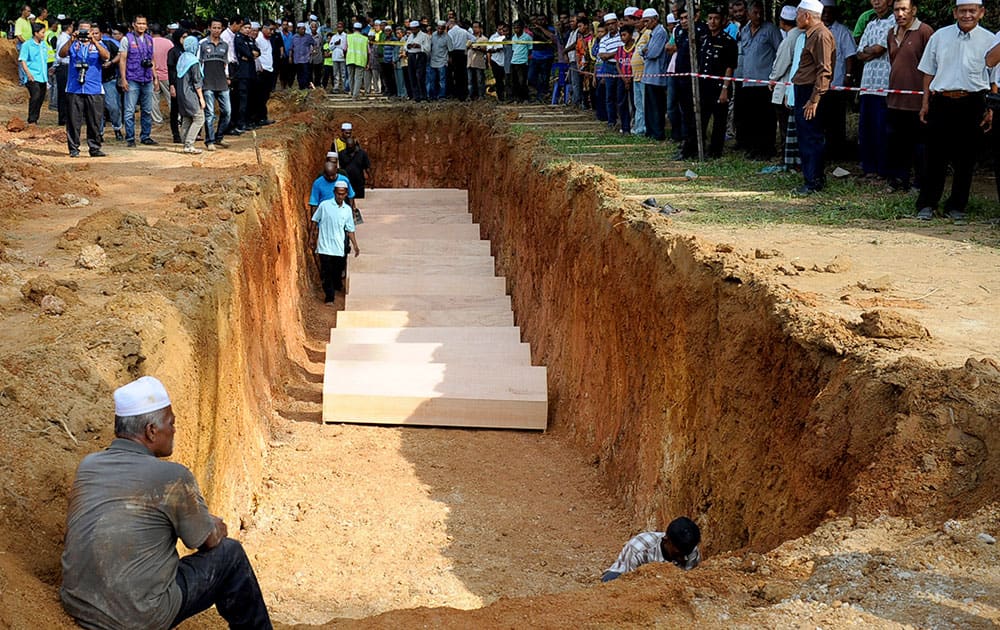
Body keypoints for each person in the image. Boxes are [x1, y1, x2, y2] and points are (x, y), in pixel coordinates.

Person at [60, 376, 272, 629]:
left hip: (80, 605)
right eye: (171, 423)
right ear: (151, 430)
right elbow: (206, 540)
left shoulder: (88, 466)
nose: (174, 430)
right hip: (137, 616)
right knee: (230, 554)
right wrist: (213, 525)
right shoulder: (172, 477)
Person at [915, 0, 992, 222]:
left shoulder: (989, 40)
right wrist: (925, 102)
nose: (967, 15)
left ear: (981, 13)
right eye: (962, 10)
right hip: (942, 102)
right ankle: (927, 204)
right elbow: (928, 71)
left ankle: (957, 206)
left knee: (965, 158)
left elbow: (995, 76)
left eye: (972, 10)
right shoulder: (940, 36)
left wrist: (991, 108)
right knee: (934, 156)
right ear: (955, 12)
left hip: (973, 103)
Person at [885, 0, 932, 193]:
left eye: (904, 9)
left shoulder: (924, 31)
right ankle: (898, 180)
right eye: (896, 9)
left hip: (918, 100)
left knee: (919, 145)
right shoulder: (891, 33)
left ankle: (920, 182)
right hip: (895, 98)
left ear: (913, 10)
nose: (900, 13)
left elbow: (932, 66)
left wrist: (926, 100)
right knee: (897, 143)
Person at [790, 0, 835, 194]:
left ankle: (813, 181)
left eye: (798, 13)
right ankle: (811, 177)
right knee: (805, 136)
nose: (796, 18)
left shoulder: (821, 35)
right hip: (804, 90)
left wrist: (814, 99)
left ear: (807, 16)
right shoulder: (811, 35)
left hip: (811, 91)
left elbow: (825, 70)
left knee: (811, 137)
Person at [735, 1, 782, 159]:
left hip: (764, 82)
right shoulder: (744, 30)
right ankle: (753, 147)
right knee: (750, 117)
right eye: (755, 12)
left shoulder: (770, 30)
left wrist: (774, 76)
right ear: (748, 14)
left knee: (766, 117)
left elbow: (780, 52)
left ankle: (766, 149)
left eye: (760, 12)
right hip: (747, 81)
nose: (758, 16)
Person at [856, 0, 896, 181]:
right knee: (866, 128)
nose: (876, 2)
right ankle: (869, 169)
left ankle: (884, 169)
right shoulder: (871, 22)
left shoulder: (894, 21)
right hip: (867, 84)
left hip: (884, 84)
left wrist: (870, 52)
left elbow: (880, 49)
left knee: (882, 129)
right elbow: (859, 52)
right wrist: (870, 51)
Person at [61, 19, 109, 158]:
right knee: (73, 121)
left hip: (93, 88)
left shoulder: (98, 44)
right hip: (74, 88)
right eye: (81, 30)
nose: (84, 33)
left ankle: (94, 148)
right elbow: (62, 54)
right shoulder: (73, 44)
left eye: (86, 31)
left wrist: (94, 41)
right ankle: (74, 149)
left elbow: (106, 56)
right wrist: (72, 39)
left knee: (94, 120)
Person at [601, 517, 702, 582]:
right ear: (666, 540)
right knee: (610, 581)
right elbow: (631, 583)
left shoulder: (690, 551)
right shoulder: (639, 549)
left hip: (666, 584)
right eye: (679, 553)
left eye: (686, 553)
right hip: (625, 575)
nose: (683, 558)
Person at [697, 6, 738, 158]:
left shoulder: (728, 42)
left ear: (723, 21)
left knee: (719, 121)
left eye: (716, 19)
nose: (712, 22)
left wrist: (725, 89)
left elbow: (730, 67)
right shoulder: (704, 39)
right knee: (702, 119)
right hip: (704, 86)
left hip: (720, 87)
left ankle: (715, 151)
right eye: (710, 18)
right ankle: (699, 147)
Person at [311, 180, 360, 304]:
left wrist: (355, 245)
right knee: (326, 272)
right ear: (334, 192)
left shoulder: (347, 210)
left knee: (336, 271)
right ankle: (329, 297)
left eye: (343, 194)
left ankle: (337, 285)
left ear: (346, 194)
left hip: (338, 247)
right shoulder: (324, 206)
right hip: (324, 246)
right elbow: (315, 220)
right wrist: (311, 237)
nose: (340, 196)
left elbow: (350, 229)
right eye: (338, 193)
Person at [820, 0, 857, 161]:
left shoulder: (842, 32)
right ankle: (823, 152)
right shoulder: (815, 30)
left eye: (830, 11)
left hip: (836, 84)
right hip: (818, 84)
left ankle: (837, 153)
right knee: (821, 120)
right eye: (824, 12)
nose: (826, 15)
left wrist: (848, 76)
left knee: (836, 121)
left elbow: (850, 56)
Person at [118, 14, 159, 147]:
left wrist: (155, 77)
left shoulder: (149, 39)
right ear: (134, 24)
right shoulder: (127, 39)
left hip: (147, 78)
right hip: (132, 78)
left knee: (147, 110)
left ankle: (145, 136)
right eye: (139, 23)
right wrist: (123, 79)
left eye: (144, 24)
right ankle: (130, 138)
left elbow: (152, 58)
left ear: (147, 25)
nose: (141, 26)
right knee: (129, 110)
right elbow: (122, 60)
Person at [199, 19, 231, 150]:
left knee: (227, 112)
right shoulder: (202, 44)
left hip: (222, 83)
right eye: (214, 27)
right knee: (210, 114)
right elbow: (198, 63)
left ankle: (219, 137)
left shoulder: (225, 45)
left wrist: (228, 77)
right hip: (207, 83)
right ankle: (210, 141)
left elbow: (226, 63)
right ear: (209, 28)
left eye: (219, 28)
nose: (217, 30)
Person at [640, 9, 669, 141]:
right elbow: (642, 50)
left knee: (657, 106)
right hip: (649, 75)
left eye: (647, 21)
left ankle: (658, 132)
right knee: (649, 106)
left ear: (655, 19)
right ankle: (650, 131)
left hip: (657, 75)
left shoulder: (660, 33)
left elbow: (653, 53)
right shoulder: (652, 33)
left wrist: (645, 52)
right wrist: (645, 51)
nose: (645, 24)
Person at [176, 35, 206, 155]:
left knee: (187, 118)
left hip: (181, 94)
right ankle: (189, 144)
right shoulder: (194, 62)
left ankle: (185, 142)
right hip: (190, 94)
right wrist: (201, 98)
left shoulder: (182, 58)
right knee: (199, 118)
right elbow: (197, 82)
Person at [18, 22, 48, 125]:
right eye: (42, 32)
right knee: (35, 95)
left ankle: (36, 118)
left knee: (41, 98)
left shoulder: (43, 44)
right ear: (36, 33)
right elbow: (23, 60)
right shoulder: (27, 45)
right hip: (33, 76)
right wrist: (28, 73)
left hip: (43, 76)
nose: (44, 34)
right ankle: (31, 119)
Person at [150, 23, 172, 128]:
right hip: (167, 74)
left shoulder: (149, 43)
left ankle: (157, 119)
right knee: (171, 97)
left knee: (154, 98)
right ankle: (177, 117)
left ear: (151, 32)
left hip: (152, 75)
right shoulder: (168, 43)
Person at [447, 19, 473, 100]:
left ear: (452, 24)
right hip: (463, 53)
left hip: (453, 53)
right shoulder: (464, 31)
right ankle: (464, 93)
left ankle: (457, 93)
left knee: (455, 74)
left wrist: (449, 55)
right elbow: (473, 39)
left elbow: (449, 43)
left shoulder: (450, 32)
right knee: (463, 74)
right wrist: (467, 45)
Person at [340, 136, 372, 202]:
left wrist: (371, 179)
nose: (350, 148)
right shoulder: (342, 154)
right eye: (348, 147)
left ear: (354, 145)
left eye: (351, 147)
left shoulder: (362, 154)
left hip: (359, 182)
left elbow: (367, 167)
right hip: (346, 181)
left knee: (360, 201)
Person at [510, 20, 532, 102]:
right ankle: (517, 98)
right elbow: (513, 49)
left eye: (518, 28)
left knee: (522, 81)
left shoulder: (527, 37)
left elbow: (530, 49)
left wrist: (526, 58)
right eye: (514, 28)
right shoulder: (513, 37)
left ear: (522, 28)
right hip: (514, 61)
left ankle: (525, 97)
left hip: (523, 62)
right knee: (514, 81)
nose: (516, 30)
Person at [427, 21, 449, 100]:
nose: (440, 30)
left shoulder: (447, 37)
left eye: (442, 28)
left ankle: (442, 95)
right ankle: (432, 95)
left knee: (442, 81)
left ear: (444, 29)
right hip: (433, 61)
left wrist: (447, 60)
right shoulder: (433, 35)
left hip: (442, 61)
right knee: (432, 80)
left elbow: (450, 49)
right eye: (438, 28)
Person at [347, 22, 368, 100]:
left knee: (351, 77)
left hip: (350, 59)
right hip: (360, 60)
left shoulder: (348, 37)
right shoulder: (365, 39)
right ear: (361, 30)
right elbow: (368, 51)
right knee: (358, 78)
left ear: (353, 29)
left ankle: (352, 93)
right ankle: (355, 96)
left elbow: (345, 48)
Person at [488, 23, 509, 101]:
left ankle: (508, 95)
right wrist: (496, 49)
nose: (501, 31)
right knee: (498, 80)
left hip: (506, 61)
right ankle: (500, 97)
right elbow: (489, 49)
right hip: (496, 61)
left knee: (507, 80)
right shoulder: (493, 38)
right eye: (499, 29)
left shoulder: (508, 37)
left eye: (503, 29)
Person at [291, 22, 315, 89]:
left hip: (305, 59)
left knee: (306, 74)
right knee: (299, 75)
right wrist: (290, 57)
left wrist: (312, 51)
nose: (303, 30)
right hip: (297, 59)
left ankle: (306, 86)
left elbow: (313, 44)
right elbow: (291, 48)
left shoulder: (308, 37)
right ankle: (301, 87)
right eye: (301, 29)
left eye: (304, 29)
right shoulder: (294, 37)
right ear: (298, 29)